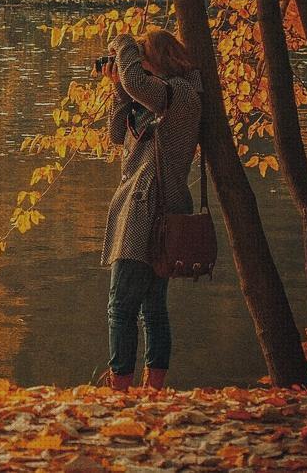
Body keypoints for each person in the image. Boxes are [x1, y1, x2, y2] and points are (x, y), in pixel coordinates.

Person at [98, 28, 201, 391]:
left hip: (151, 210)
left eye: (141, 58)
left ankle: (120, 390)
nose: (134, 67)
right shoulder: (156, 100)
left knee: (121, 306)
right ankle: (149, 389)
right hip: (142, 206)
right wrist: (118, 90)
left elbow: (138, 83)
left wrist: (123, 43)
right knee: (150, 308)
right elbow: (115, 134)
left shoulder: (181, 94)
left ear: (156, 60)